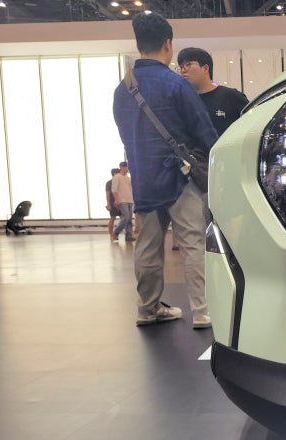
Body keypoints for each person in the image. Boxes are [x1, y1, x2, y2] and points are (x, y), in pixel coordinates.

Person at [113, 12, 218, 329]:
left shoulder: (122, 89)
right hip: (179, 177)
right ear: (168, 44)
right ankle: (202, 310)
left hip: (144, 180)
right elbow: (203, 131)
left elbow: (125, 135)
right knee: (192, 244)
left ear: (139, 44)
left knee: (146, 247)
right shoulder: (176, 84)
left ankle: (147, 309)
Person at [177, 47, 249, 136]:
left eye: (188, 64)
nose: (183, 70)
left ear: (205, 68)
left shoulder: (231, 97)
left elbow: (252, 124)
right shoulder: (184, 102)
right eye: (181, 67)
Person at [111, 162, 134, 242]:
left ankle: (129, 235)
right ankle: (116, 232)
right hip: (122, 200)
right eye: (124, 167)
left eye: (126, 167)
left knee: (129, 219)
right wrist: (116, 199)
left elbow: (131, 189)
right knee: (126, 217)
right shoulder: (117, 177)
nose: (125, 168)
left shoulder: (129, 178)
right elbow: (114, 189)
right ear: (120, 167)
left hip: (130, 200)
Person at [105, 168, 121, 241]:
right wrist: (108, 204)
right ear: (114, 174)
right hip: (112, 202)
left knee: (124, 218)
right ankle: (111, 234)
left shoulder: (120, 181)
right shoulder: (109, 183)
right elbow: (108, 194)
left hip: (121, 202)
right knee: (113, 218)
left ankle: (120, 233)